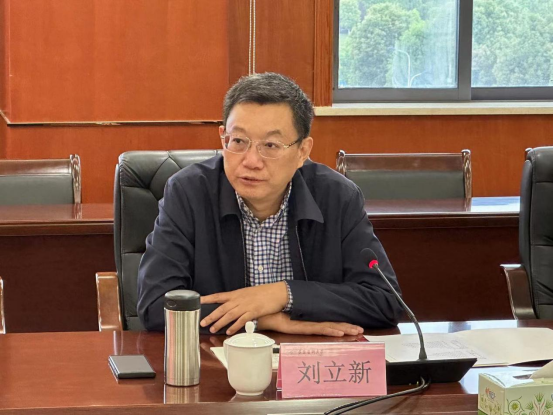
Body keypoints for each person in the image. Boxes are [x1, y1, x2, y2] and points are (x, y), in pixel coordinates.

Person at [137, 73, 403, 336]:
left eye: (271, 145)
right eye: (238, 141)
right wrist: (265, 320)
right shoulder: (188, 193)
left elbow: (385, 301)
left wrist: (284, 294)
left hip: (309, 359)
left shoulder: (337, 197)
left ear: (302, 151)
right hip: (217, 357)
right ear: (223, 137)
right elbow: (155, 305)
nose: (251, 161)